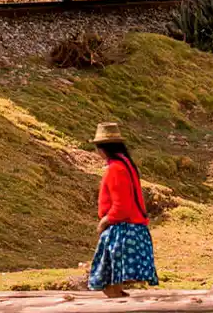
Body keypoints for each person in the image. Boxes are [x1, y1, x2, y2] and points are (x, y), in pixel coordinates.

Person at [89, 122, 158, 298]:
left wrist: (105, 221)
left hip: (122, 230)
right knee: (114, 286)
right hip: (134, 227)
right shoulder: (127, 165)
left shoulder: (115, 169)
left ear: (103, 149)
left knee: (108, 285)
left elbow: (121, 206)